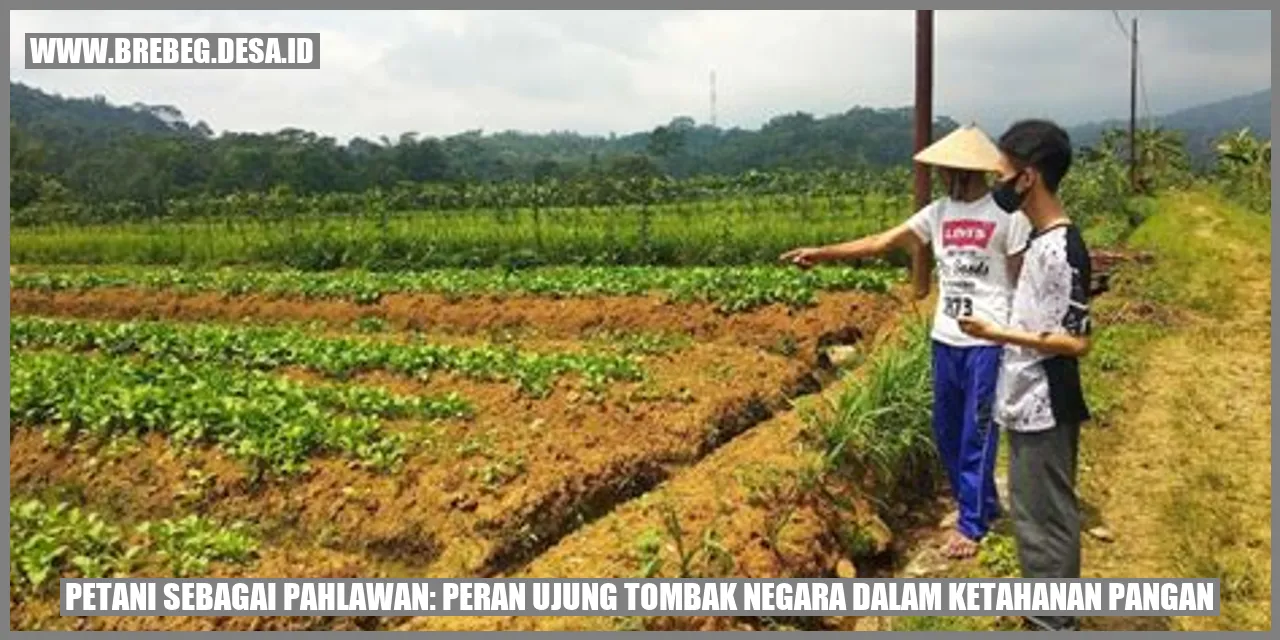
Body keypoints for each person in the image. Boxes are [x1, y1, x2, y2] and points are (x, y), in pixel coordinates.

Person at [780, 125, 1032, 559]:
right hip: (945, 338)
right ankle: (982, 504)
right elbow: (882, 242)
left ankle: (971, 525)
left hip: (988, 341)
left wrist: (1018, 337)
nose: (949, 178)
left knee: (979, 430)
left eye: (956, 171)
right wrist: (823, 253)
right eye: (945, 171)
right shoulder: (937, 213)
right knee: (946, 430)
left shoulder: (1008, 217)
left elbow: (1021, 279)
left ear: (979, 173)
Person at [956, 119, 1091, 632]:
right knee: (1033, 517)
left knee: (1046, 519)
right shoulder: (1039, 241)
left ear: (1028, 178)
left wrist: (998, 333)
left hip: (1047, 402)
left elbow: (1077, 340)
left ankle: (1054, 623)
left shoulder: (1061, 247)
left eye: (1003, 173)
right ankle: (1046, 615)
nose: (998, 184)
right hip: (1026, 399)